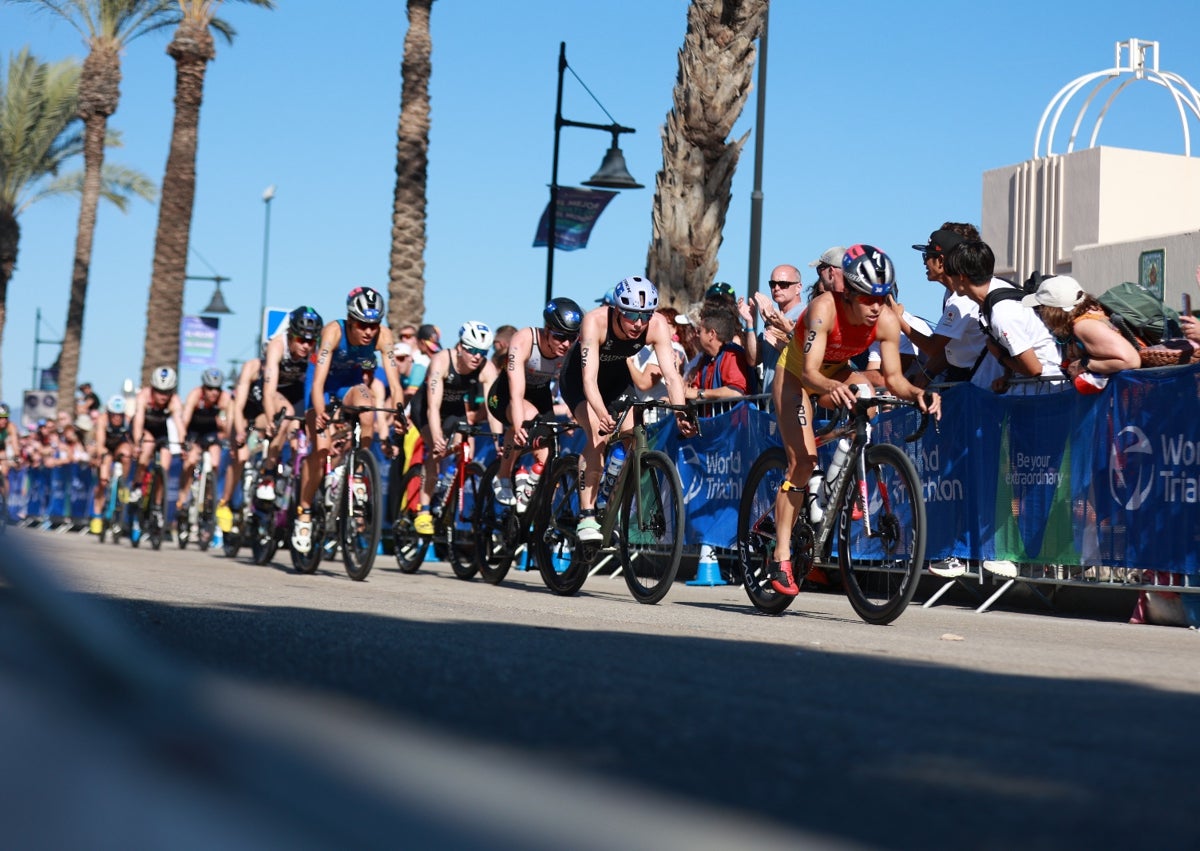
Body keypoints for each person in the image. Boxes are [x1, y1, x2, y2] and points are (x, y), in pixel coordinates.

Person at [769, 245, 941, 596]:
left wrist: (919, 395)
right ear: (847, 292)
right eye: (867, 297)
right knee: (803, 461)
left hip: (837, 372)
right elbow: (813, 372)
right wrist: (833, 385)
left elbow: (893, 379)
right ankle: (780, 555)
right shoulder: (822, 309)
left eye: (883, 296)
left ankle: (848, 470)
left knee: (866, 393)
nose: (876, 305)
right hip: (797, 377)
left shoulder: (886, 319)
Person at [558, 275, 697, 543]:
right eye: (631, 315)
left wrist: (681, 412)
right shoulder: (595, 321)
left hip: (616, 380)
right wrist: (600, 413)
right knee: (598, 433)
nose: (638, 323)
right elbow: (588, 380)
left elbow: (671, 376)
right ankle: (586, 514)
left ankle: (608, 493)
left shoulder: (656, 326)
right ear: (618, 310)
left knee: (634, 434)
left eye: (644, 315)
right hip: (580, 379)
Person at [293, 286, 404, 554]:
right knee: (320, 450)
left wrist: (399, 411)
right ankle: (304, 512)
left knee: (368, 405)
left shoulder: (384, 336)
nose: (368, 331)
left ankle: (358, 473)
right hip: (322, 385)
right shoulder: (333, 332)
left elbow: (394, 383)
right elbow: (318, 384)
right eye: (362, 325)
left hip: (350, 384)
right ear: (350, 321)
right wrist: (320, 414)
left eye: (374, 325)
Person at [486, 298, 583, 505]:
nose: (566, 344)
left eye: (572, 338)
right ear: (546, 329)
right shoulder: (525, 340)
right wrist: (519, 422)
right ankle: (502, 476)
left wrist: (576, 412)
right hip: (505, 394)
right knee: (526, 418)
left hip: (540, 396)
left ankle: (527, 500)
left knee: (546, 452)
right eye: (559, 336)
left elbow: (574, 383)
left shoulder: (570, 350)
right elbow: (516, 389)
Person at [410, 320, 500, 533]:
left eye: (482, 352)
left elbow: (492, 407)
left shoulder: (487, 368)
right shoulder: (441, 361)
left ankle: (448, 493)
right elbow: (432, 408)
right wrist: (437, 437)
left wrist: (498, 440)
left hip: (454, 409)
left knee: (468, 450)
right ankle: (423, 510)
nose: (477, 356)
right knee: (436, 452)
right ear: (460, 347)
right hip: (426, 408)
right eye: (472, 350)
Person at [944, 240, 1065, 394]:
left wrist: (999, 355)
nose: (949, 281)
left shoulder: (1002, 313)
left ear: (961, 277)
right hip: (1036, 388)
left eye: (950, 274)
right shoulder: (995, 297)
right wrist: (1007, 375)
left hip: (1045, 392)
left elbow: (1034, 369)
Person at [901, 226, 990, 386]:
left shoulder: (962, 299)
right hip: (967, 374)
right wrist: (927, 374)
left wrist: (897, 319)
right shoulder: (950, 295)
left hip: (981, 380)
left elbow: (933, 348)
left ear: (941, 261)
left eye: (927, 256)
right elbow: (948, 348)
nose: (924, 262)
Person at [1023, 275, 1141, 393]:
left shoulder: (1084, 326)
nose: (1040, 312)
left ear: (1053, 310)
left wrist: (1083, 365)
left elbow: (1131, 360)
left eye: (1041, 307)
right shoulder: (1089, 314)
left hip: (1124, 399)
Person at [177, 368, 231, 516]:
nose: (214, 392)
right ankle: (184, 497)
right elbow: (185, 420)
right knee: (191, 461)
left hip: (211, 433)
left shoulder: (224, 398)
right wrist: (183, 442)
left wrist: (224, 427)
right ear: (203, 387)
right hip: (194, 432)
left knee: (215, 462)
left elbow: (229, 425)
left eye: (217, 389)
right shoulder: (195, 394)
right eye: (210, 388)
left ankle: (208, 498)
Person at [129, 366, 186, 505]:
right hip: (143, 428)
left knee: (165, 467)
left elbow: (180, 425)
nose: (163, 396)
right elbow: (139, 421)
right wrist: (137, 444)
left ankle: (157, 504)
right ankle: (137, 485)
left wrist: (183, 444)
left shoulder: (174, 401)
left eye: (167, 392)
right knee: (148, 447)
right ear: (153, 388)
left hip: (160, 430)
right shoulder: (144, 396)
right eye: (159, 391)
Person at [684, 301, 754, 414]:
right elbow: (691, 391)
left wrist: (701, 394)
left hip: (733, 428)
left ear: (712, 334)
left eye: (699, 331)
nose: (696, 334)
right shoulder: (706, 359)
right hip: (712, 427)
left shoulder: (732, 354)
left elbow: (736, 392)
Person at [747, 263, 805, 393]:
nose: (777, 288)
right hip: (771, 402)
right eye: (772, 284)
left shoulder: (805, 314)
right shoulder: (770, 320)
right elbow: (754, 360)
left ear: (798, 287)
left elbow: (805, 352)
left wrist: (770, 322)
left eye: (783, 284)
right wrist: (750, 324)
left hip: (796, 400)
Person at [88, 395, 133, 534]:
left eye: (119, 415)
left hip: (119, 447)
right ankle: (97, 515)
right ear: (109, 413)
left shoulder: (127, 421)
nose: (117, 418)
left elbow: (131, 442)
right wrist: (102, 454)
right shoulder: (103, 420)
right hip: (106, 448)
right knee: (103, 481)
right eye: (114, 415)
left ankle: (123, 485)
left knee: (126, 455)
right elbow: (100, 444)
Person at [0, 403, 18, 508]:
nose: (4, 420)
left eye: (6, 417)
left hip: (2, 452)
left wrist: (16, 456)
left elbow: (15, 444)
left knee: (4, 471)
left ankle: (6, 503)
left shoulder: (10, 427)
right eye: (1, 418)